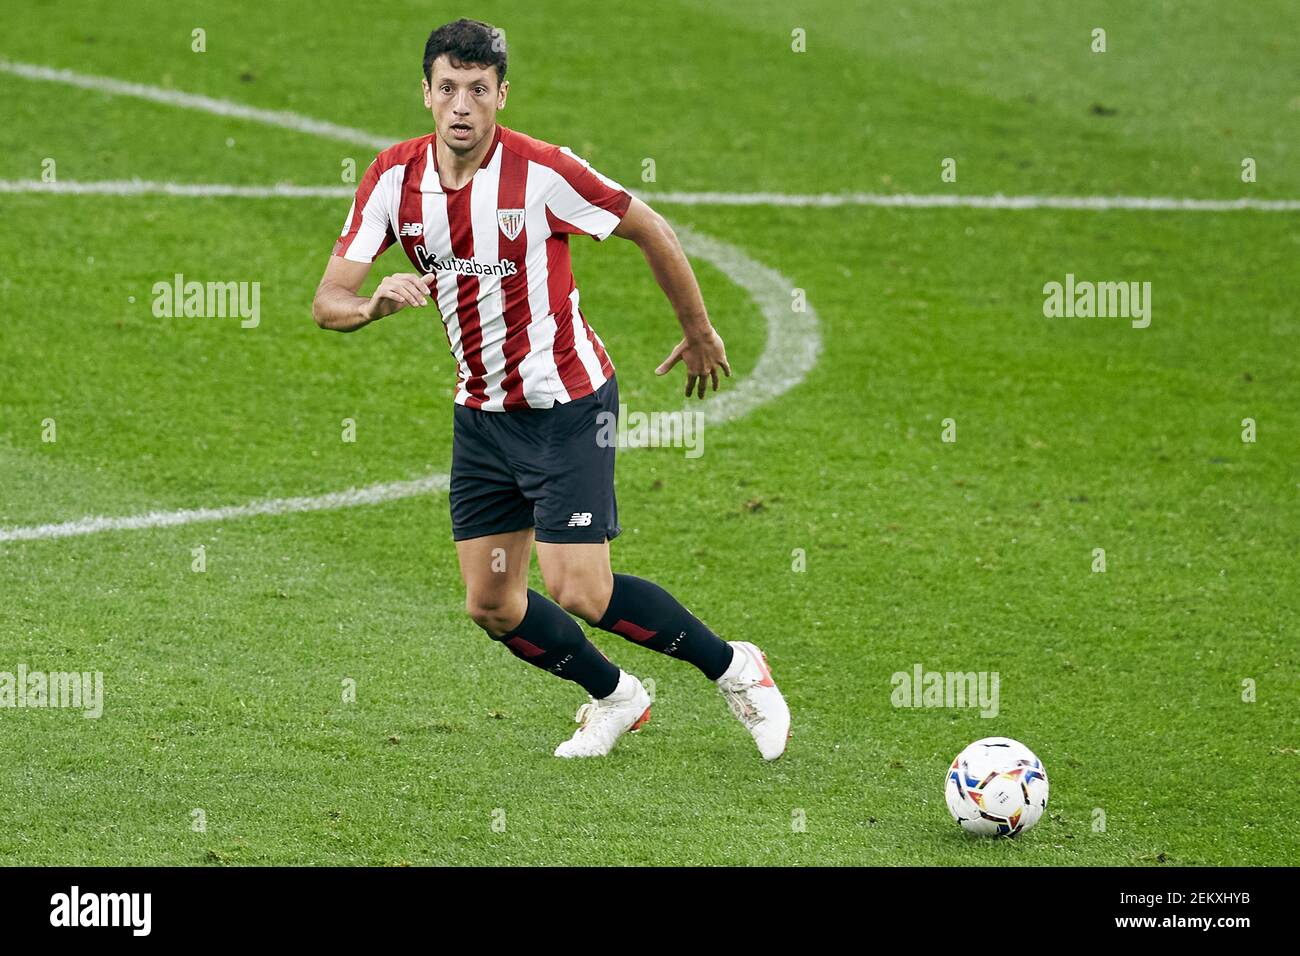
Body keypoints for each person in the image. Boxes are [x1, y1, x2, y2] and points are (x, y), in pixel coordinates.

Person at [311, 18, 789, 760]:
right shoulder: (391, 179)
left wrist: (698, 331)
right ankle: (616, 697)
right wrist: (372, 304)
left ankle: (735, 668)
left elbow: (650, 227)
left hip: (568, 407)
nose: (462, 105)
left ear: (502, 93)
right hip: (484, 417)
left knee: (579, 590)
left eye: (478, 89)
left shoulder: (543, 172)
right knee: (493, 603)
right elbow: (327, 301)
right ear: (426, 95)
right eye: (448, 89)